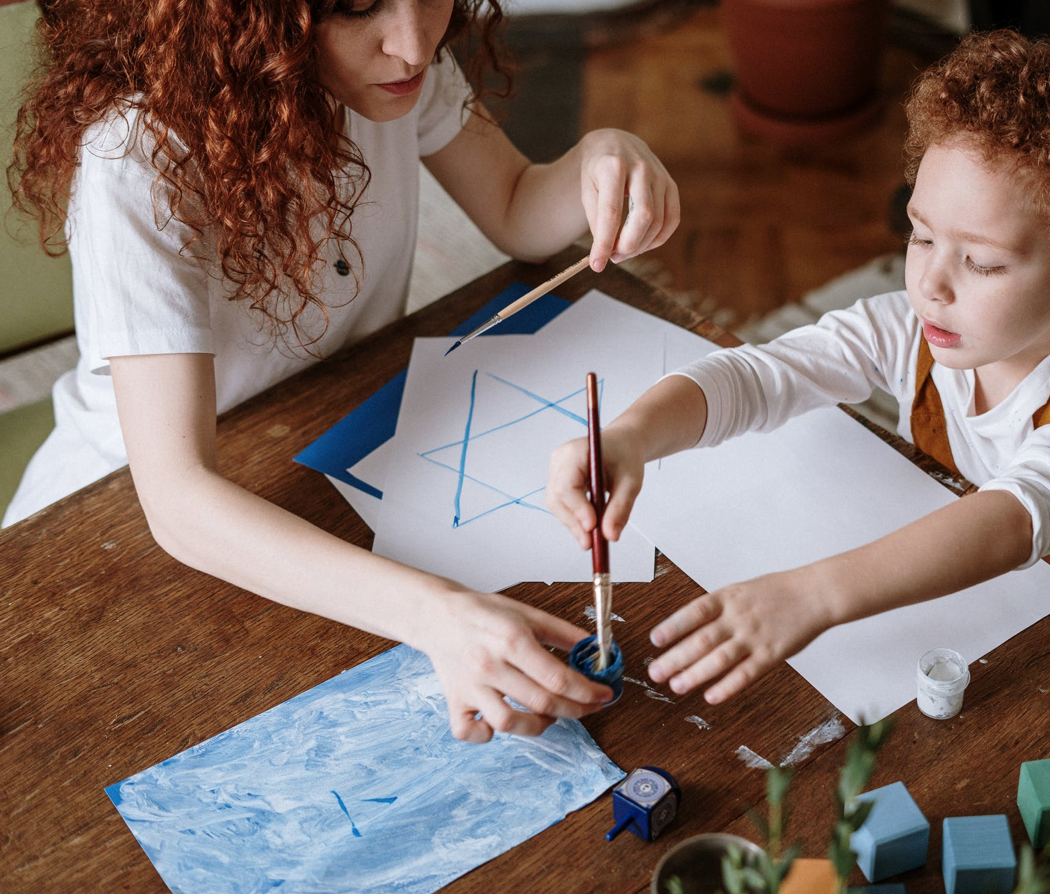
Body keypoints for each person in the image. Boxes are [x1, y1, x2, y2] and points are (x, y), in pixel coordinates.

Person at [5, 0, 680, 742]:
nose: (415, 42)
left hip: (339, 439)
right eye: (359, 7)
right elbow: (176, 498)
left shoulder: (392, 67)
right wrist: (436, 613)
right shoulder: (137, 155)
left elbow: (516, 208)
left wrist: (602, 157)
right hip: (117, 528)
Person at [546, 29, 1050, 706]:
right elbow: (762, 376)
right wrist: (630, 437)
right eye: (922, 234)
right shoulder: (911, 327)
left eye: (982, 261)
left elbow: (1017, 516)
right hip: (953, 608)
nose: (931, 284)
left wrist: (812, 594)